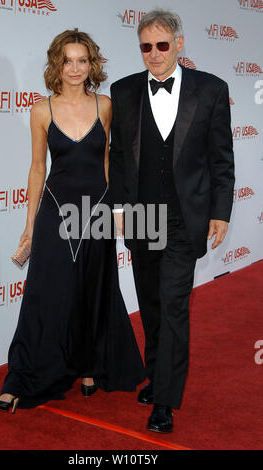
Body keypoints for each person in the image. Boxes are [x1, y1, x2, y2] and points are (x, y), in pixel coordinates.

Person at [0, 29, 145, 413]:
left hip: (98, 212)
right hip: (56, 212)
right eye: (67, 60)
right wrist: (29, 225)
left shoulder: (104, 106)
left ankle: (91, 366)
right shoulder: (41, 110)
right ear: (56, 63)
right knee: (46, 293)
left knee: (95, 287)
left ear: (91, 64)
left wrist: (119, 210)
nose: (75, 68)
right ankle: (21, 378)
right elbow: (37, 168)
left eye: (82, 60)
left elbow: (109, 161)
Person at [109, 9, 235, 433]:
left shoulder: (212, 90)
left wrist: (220, 211)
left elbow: (222, 159)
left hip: (185, 218)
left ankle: (165, 399)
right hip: (143, 216)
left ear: (179, 44)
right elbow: (121, 158)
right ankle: (156, 372)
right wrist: (120, 208)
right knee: (151, 304)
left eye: (163, 45)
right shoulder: (123, 91)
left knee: (175, 305)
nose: (155, 54)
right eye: (146, 46)